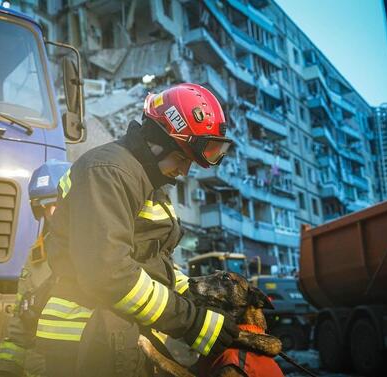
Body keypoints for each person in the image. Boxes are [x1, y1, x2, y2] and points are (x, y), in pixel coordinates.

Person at [36, 83, 239, 376]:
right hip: (88, 342)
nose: (184, 172)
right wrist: (192, 322)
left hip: (115, 337)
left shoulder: (145, 180)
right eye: (182, 159)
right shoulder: (109, 172)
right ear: (157, 142)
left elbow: (154, 264)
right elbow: (109, 274)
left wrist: (200, 296)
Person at [0, 160, 71, 377]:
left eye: (59, 203)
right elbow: (21, 318)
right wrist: (8, 368)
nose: (52, 212)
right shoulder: (37, 255)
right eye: (46, 206)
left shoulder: (97, 247)